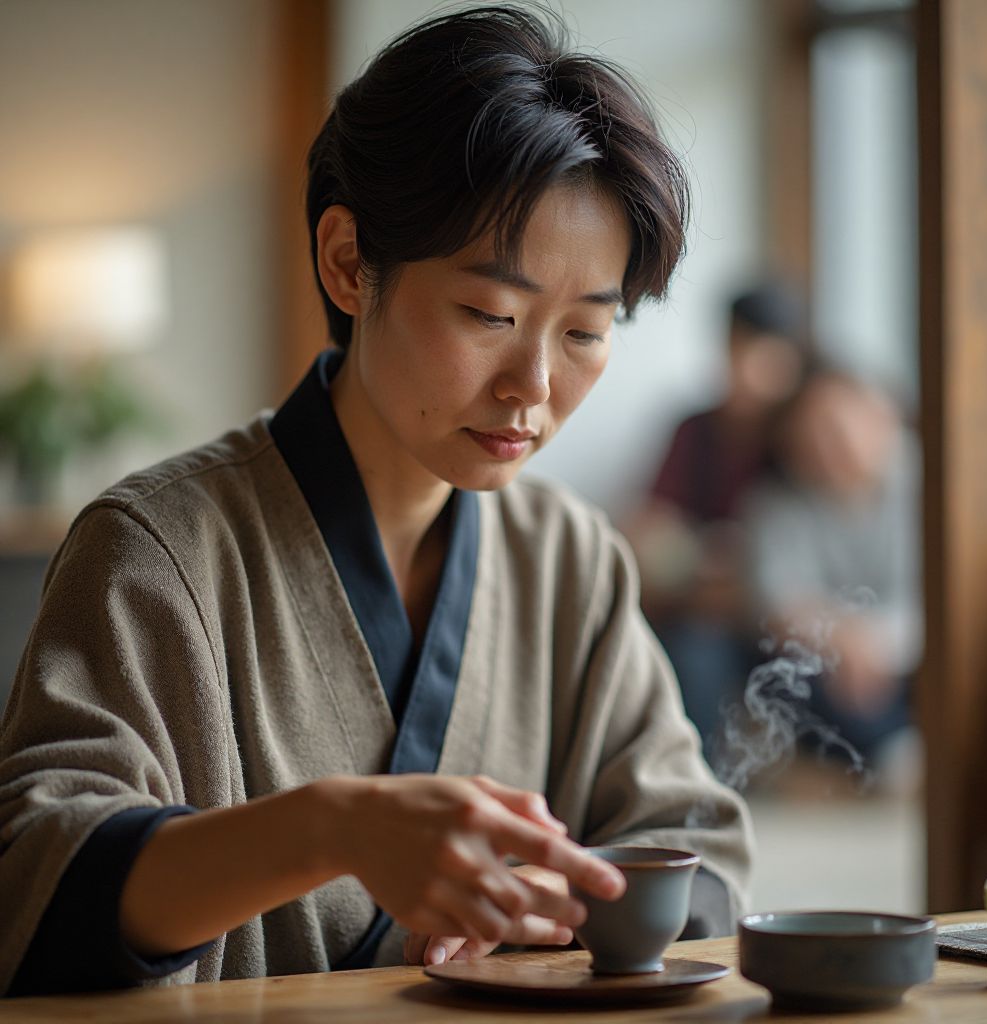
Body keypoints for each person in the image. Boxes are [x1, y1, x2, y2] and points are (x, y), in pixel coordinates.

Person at [0, 5, 753, 998]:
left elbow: (695, 850)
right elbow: (38, 880)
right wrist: (335, 829)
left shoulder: (569, 558)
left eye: (582, 332)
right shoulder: (156, 550)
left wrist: (541, 900)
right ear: (349, 262)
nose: (532, 383)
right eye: (490, 312)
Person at [624, 284, 806, 747]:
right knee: (691, 648)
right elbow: (650, 531)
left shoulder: (801, 435)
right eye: (737, 352)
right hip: (700, 608)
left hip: (781, 611)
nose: (747, 373)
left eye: (764, 358)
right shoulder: (695, 430)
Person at [742, 365, 921, 776]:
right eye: (807, 436)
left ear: (879, 419)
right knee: (787, 678)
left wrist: (874, 642)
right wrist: (842, 638)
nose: (823, 448)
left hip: (905, 656)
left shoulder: (923, 480)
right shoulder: (776, 500)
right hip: (829, 663)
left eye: (835, 429)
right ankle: (884, 758)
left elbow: (935, 596)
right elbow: (778, 601)